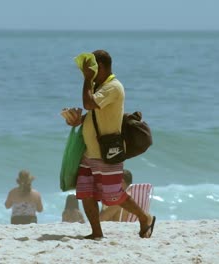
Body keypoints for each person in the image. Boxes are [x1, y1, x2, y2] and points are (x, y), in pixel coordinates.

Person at [64, 50, 155, 239]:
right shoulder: (101, 87)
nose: (85, 74)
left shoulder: (113, 87)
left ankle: (144, 217)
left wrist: (88, 80)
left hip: (107, 152)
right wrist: (77, 120)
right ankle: (96, 232)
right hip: (89, 152)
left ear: (101, 68)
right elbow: (93, 114)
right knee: (85, 192)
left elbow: (89, 104)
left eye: (89, 70)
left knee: (113, 195)